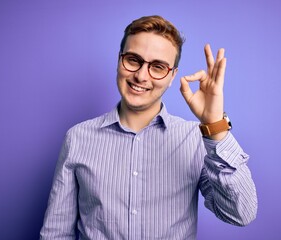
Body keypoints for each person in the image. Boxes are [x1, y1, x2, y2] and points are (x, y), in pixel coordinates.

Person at [40, 15, 257, 240]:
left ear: (172, 75)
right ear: (119, 60)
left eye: (158, 67)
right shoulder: (78, 138)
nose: (141, 76)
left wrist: (215, 125)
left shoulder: (194, 139)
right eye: (133, 60)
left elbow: (241, 214)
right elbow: (56, 233)